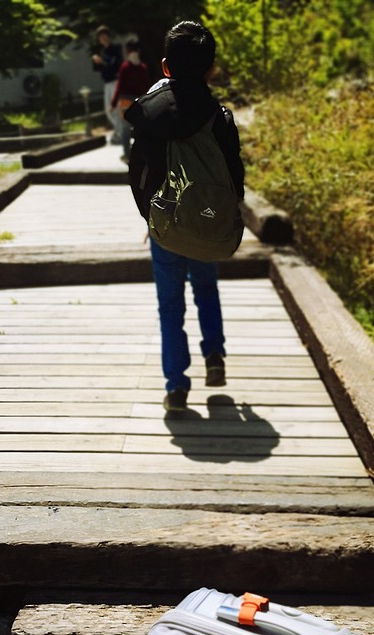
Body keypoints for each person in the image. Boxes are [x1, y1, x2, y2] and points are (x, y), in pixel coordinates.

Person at [125, 21, 244, 413]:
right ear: (211, 69)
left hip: (164, 224)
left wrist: (150, 219)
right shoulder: (220, 116)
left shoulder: (149, 113)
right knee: (206, 288)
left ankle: (176, 387)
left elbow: (137, 173)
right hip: (207, 220)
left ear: (165, 66)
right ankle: (215, 355)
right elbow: (234, 177)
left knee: (170, 304)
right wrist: (223, 217)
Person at [110, 39, 152, 162]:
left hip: (125, 102)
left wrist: (113, 103)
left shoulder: (125, 67)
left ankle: (128, 155)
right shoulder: (143, 67)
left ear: (127, 51)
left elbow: (119, 86)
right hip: (139, 101)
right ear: (138, 51)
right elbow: (147, 87)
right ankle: (141, 154)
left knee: (125, 129)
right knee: (140, 128)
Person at [91, 26, 123, 144]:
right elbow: (100, 68)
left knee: (116, 108)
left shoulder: (115, 49)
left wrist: (102, 62)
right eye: (101, 37)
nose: (103, 39)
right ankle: (119, 130)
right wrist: (96, 61)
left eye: (105, 36)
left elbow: (115, 65)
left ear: (108, 37)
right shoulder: (102, 52)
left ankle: (119, 133)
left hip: (115, 81)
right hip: (107, 82)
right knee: (108, 109)